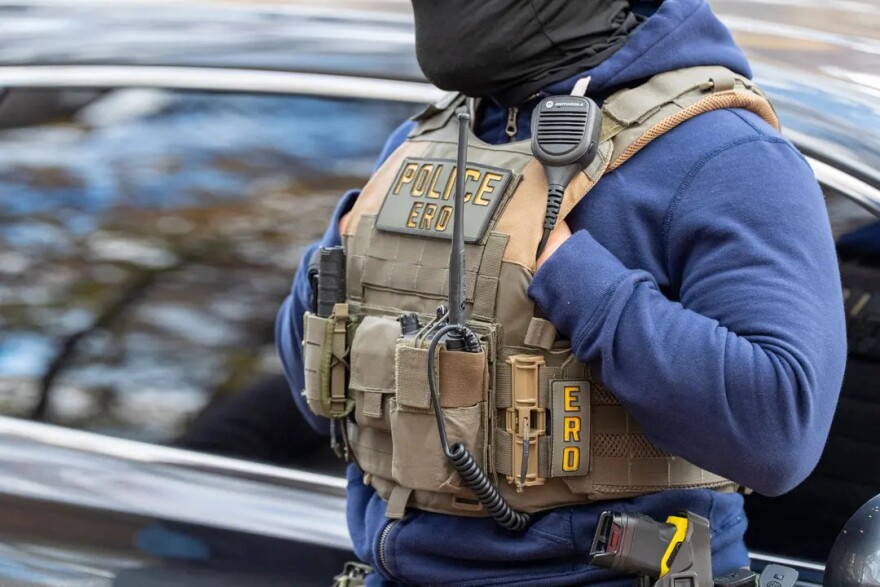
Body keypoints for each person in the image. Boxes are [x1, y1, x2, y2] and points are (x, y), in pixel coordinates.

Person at [276, 0, 847, 584]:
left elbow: (780, 432)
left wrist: (569, 273)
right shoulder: (427, 138)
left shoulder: (723, 153)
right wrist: (341, 258)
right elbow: (320, 404)